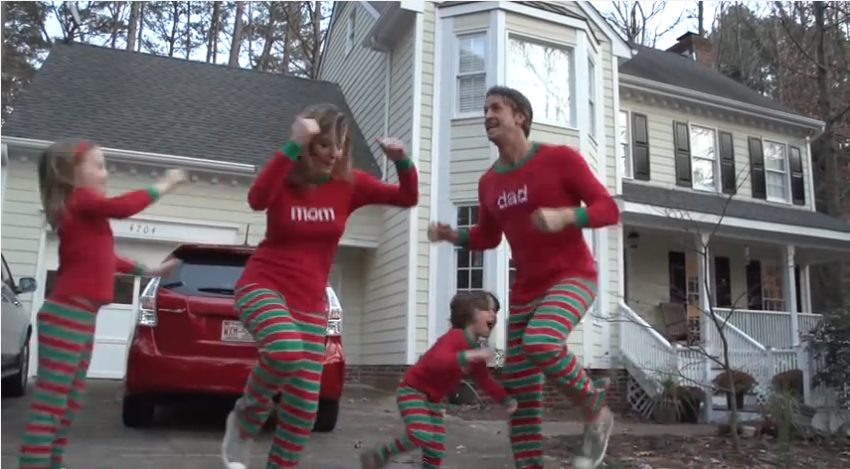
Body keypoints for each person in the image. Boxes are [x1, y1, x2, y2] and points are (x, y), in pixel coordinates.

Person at [428, 86, 621, 469]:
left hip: (573, 277)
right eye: (485, 109)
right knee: (521, 395)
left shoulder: (560, 159)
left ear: (520, 116)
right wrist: (454, 235)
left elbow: (608, 209)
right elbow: (488, 237)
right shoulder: (489, 183)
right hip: (525, 291)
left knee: (542, 341)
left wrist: (567, 216)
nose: (487, 115)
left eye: (496, 108)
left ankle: (596, 411)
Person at [221, 104, 419, 469]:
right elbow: (256, 200)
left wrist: (402, 161)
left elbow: (407, 198)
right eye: (326, 144)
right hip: (263, 285)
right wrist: (292, 145)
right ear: (308, 143)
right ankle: (246, 417)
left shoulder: (349, 184)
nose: (334, 154)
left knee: (302, 411)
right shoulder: (283, 174)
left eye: (341, 145)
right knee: (284, 350)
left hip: (311, 303)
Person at [19, 139, 185, 469]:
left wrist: (150, 270)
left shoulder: (84, 216)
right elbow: (122, 207)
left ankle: (53, 463)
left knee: (68, 404)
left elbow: (108, 259)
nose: (105, 173)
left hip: (81, 317)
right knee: (50, 407)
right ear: (70, 173)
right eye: (98, 166)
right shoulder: (79, 200)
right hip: (66, 315)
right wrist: (164, 184)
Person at [359, 291, 517, 469]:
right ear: (471, 313)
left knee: (436, 449)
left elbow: (485, 381)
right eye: (488, 309)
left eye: (496, 311)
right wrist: (469, 355)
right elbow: (438, 361)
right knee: (420, 434)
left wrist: (506, 399)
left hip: (432, 401)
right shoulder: (455, 336)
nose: (494, 315)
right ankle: (380, 454)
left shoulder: (476, 349)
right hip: (412, 391)